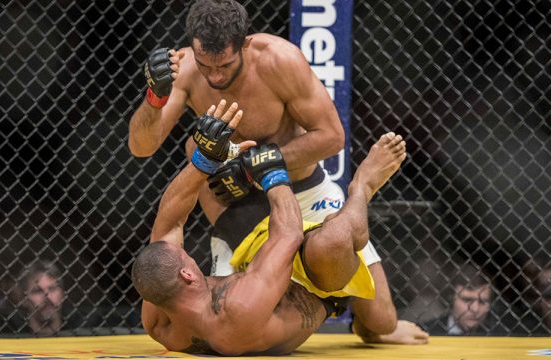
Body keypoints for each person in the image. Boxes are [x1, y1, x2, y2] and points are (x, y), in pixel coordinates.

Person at [128, 0, 427, 344]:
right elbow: (141, 146)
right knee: (196, 149)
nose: (215, 76)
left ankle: (358, 202)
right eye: (205, 65)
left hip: (302, 191)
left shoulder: (278, 60)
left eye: (225, 65)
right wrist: (155, 99)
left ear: (245, 43)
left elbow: (331, 137)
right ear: (193, 46)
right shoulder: (186, 71)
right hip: (239, 207)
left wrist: (258, 166)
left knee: (381, 324)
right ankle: (322, 272)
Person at [132, 101, 423, 355]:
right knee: (339, 250)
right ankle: (362, 187)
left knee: (200, 168)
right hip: (317, 285)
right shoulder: (237, 312)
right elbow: (289, 234)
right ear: (186, 274)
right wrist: (273, 172)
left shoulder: (158, 319)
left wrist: (204, 160)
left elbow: (169, 222)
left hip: (263, 264)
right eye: (185, 257)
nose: (187, 252)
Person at [421, 265, 494, 336]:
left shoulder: (500, 334)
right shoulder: (424, 332)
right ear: (451, 299)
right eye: (467, 300)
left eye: (482, 302)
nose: (475, 309)